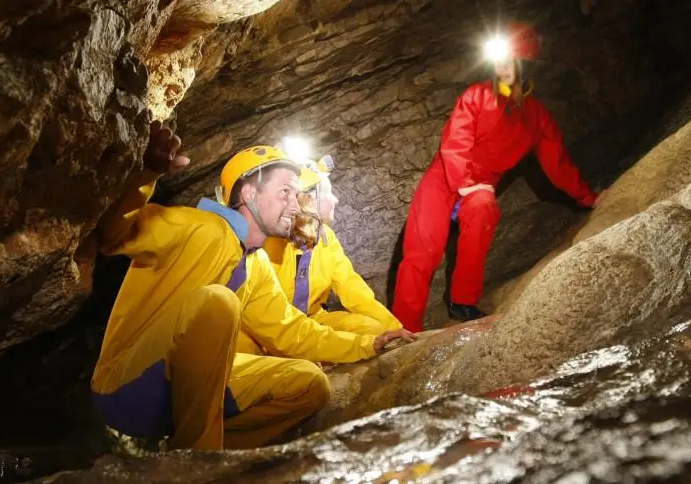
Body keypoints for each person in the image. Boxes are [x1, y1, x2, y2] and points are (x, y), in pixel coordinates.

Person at [89, 122, 415, 452]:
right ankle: (201, 459)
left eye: (297, 193)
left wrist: (369, 344)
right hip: (129, 385)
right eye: (285, 192)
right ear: (249, 194)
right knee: (218, 302)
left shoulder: (255, 263)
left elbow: (292, 331)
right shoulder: (196, 226)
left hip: (191, 389)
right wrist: (145, 175)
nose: (295, 203)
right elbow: (113, 233)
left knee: (309, 384)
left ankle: (206, 456)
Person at [391, 21, 600, 332]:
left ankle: (463, 302)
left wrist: (589, 198)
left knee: (484, 205)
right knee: (422, 250)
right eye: (499, 60)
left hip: (481, 187)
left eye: (508, 60)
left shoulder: (536, 117)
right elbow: (455, 143)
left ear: (525, 65)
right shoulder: (476, 96)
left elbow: (556, 162)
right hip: (444, 179)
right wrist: (464, 184)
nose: (501, 67)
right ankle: (403, 330)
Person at [237, 155, 406, 355]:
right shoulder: (268, 241)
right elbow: (263, 314)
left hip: (313, 319)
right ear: (309, 199)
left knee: (372, 330)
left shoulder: (326, 238)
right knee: (242, 349)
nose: (336, 199)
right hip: (262, 329)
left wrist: (394, 327)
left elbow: (352, 288)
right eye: (328, 192)